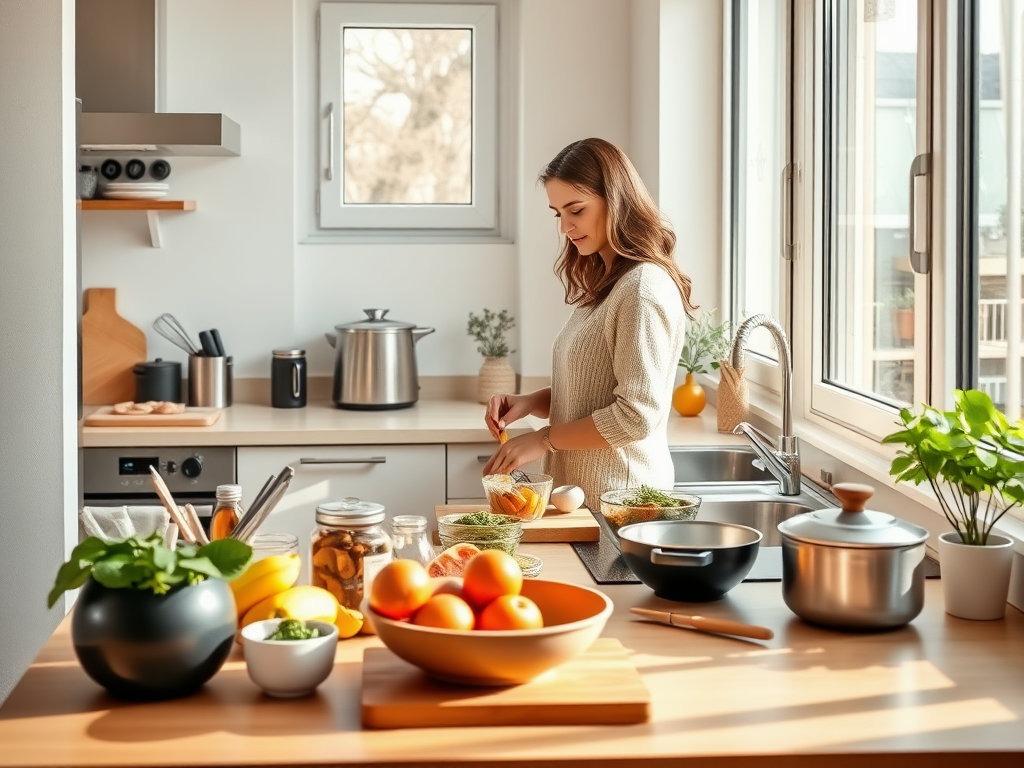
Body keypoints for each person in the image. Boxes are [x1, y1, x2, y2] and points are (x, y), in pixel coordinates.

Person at [483, 137, 697, 511]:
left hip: (623, 507)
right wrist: (531, 402)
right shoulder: (609, 282)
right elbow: (595, 385)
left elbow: (634, 417)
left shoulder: (642, 289)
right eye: (557, 213)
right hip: (588, 504)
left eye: (576, 210)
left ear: (615, 200)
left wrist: (544, 439)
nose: (565, 226)